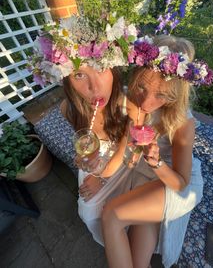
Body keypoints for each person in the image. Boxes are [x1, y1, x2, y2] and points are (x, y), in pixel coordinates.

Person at [101, 35, 213, 268]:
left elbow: (181, 183)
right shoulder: (130, 97)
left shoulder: (183, 124)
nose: (146, 101)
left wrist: (156, 162)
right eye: (142, 86)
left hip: (172, 180)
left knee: (112, 215)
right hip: (146, 177)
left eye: (160, 95)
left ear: (174, 94)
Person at [28, 15, 138, 245]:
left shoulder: (130, 104)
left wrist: (100, 178)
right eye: (79, 74)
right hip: (100, 160)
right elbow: (85, 144)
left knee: (118, 210)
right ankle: (115, 243)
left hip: (127, 156)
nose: (94, 88)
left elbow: (129, 151)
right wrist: (84, 158)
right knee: (87, 212)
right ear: (66, 79)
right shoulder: (69, 108)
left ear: (114, 70)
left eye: (101, 69)